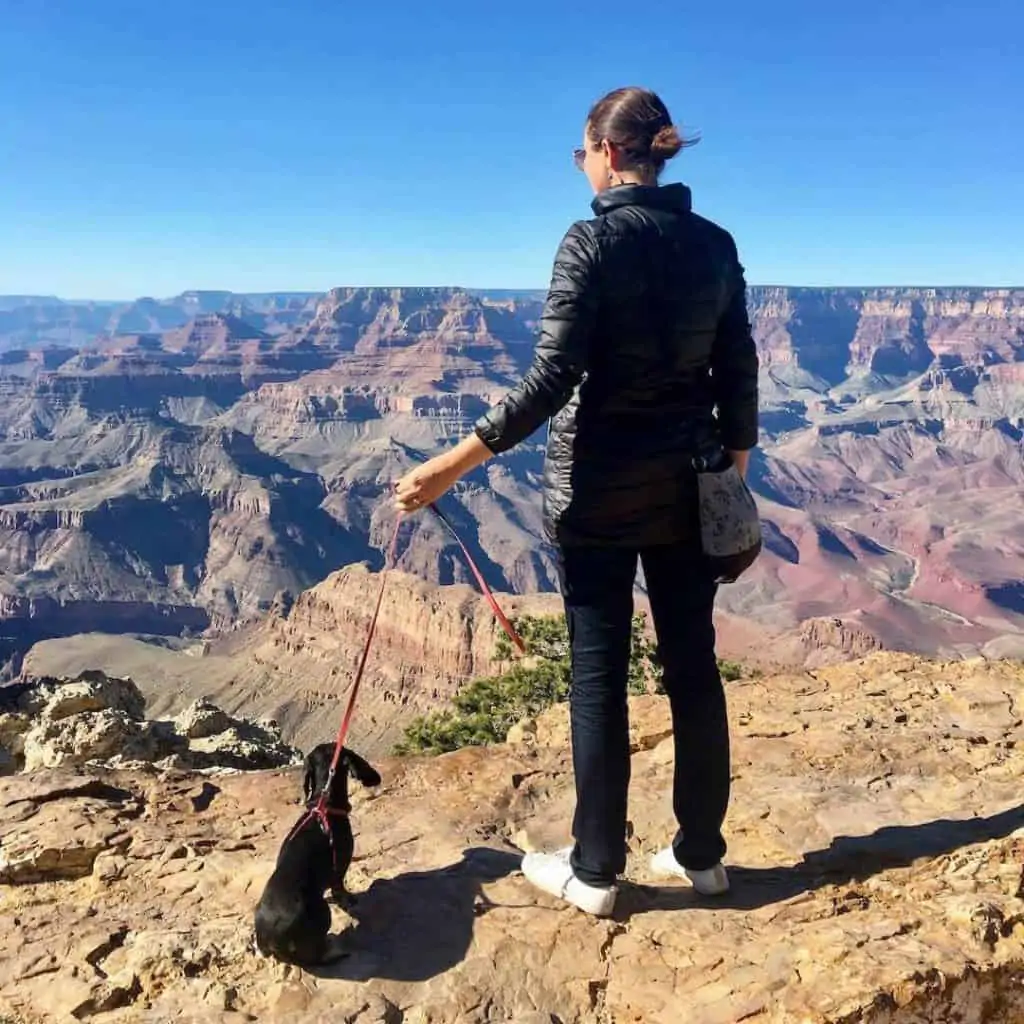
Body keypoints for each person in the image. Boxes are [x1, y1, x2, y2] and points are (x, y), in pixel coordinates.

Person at [393, 85, 759, 917]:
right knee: (693, 669)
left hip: (597, 491)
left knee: (598, 678)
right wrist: (728, 466)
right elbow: (738, 364)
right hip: (686, 487)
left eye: (580, 151)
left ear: (606, 152)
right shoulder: (714, 243)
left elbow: (552, 378)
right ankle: (701, 855)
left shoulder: (590, 241)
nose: (580, 166)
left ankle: (596, 870)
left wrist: (451, 465)